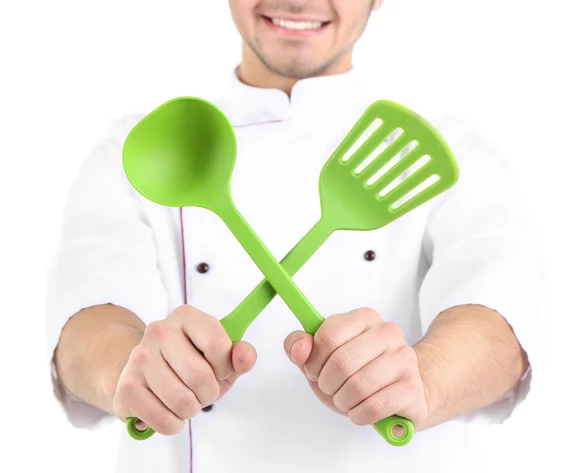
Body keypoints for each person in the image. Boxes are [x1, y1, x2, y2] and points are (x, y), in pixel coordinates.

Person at [46, 1, 541, 472]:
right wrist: (128, 373)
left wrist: (423, 380)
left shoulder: (454, 155)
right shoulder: (131, 150)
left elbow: (496, 317)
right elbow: (90, 311)